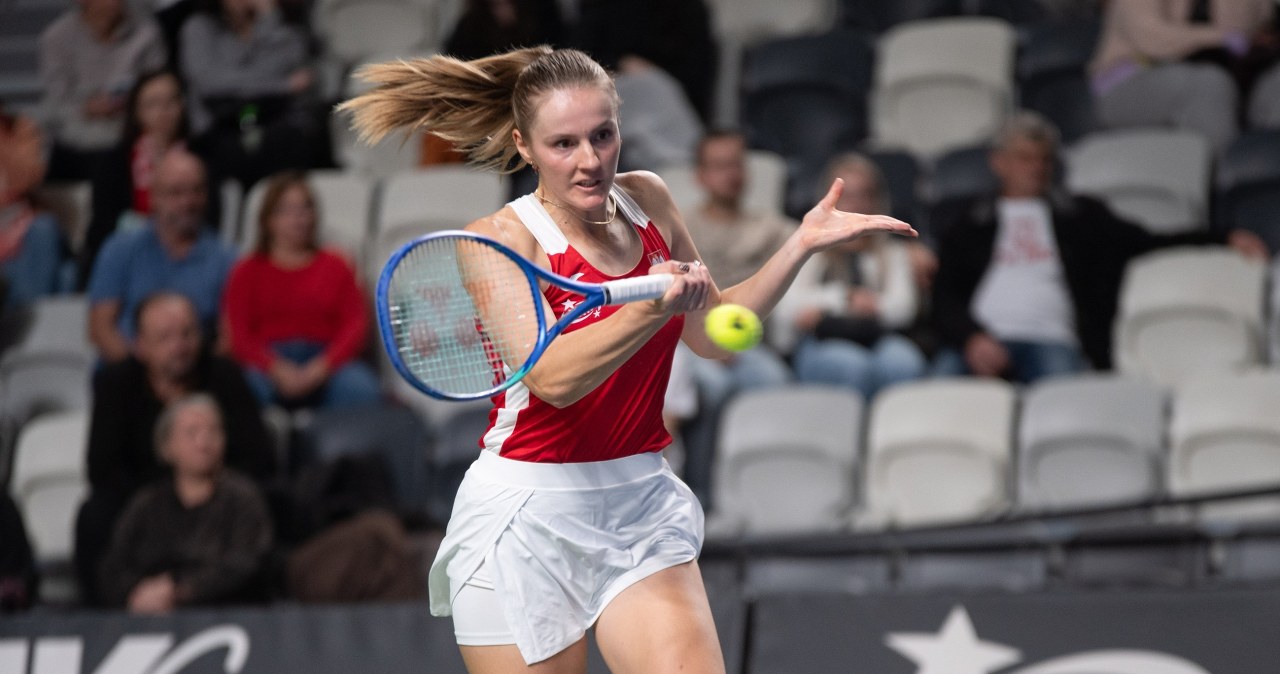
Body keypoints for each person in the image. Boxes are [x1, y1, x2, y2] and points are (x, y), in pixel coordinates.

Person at [338, 45, 913, 672]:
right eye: (563, 145)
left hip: (638, 505)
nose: (589, 162)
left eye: (602, 136)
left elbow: (716, 333)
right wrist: (648, 308)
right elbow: (554, 378)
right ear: (524, 147)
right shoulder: (501, 240)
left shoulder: (650, 200)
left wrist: (799, 244)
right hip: (526, 517)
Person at [931, 110, 1268, 383]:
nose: (1035, 168)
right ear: (998, 162)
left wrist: (1222, 237)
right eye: (1024, 158)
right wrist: (972, 338)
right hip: (980, 339)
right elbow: (945, 293)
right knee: (933, 398)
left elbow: (1145, 242)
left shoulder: (1081, 217)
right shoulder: (969, 224)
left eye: (1043, 160)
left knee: (1067, 409)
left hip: (1053, 339)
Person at [74, 292, 274, 605]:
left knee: (265, 501)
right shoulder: (115, 385)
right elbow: (102, 468)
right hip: (145, 503)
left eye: (187, 334)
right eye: (165, 338)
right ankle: (104, 616)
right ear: (140, 345)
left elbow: (258, 456)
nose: (179, 347)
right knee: (94, 515)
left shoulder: (224, 375)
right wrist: (170, 490)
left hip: (220, 497)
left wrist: (205, 482)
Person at [675, 129, 792, 505]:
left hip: (751, 348)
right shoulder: (680, 228)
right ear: (700, 175)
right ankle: (700, 497)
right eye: (720, 166)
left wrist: (912, 254)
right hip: (689, 346)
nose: (732, 174)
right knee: (709, 388)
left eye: (737, 164)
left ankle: (763, 495)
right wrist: (707, 342)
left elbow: (815, 247)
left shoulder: (770, 227)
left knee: (776, 381)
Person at [775, 153, 930, 400]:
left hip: (876, 337)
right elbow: (786, 308)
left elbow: (903, 308)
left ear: (876, 200)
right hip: (821, 341)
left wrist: (871, 306)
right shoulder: (809, 247)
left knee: (904, 361)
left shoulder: (892, 252)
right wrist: (844, 298)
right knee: (853, 366)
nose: (855, 204)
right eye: (846, 196)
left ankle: (895, 435)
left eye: (864, 195)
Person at [98, 393, 273, 612]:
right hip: (148, 621)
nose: (204, 442)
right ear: (167, 447)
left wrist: (180, 590)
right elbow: (114, 564)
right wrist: (134, 592)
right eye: (192, 433)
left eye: (213, 431)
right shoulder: (146, 504)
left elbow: (248, 563)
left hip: (224, 615)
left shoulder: (242, 498)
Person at [222, 172, 381, 409]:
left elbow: (356, 326)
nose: (298, 218)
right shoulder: (246, 270)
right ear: (268, 220)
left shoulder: (337, 265)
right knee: (241, 390)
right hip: (267, 364)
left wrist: (321, 368)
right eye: (286, 210)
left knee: (363, 389)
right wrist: (275, 368)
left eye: (305, 208)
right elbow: (239, 336)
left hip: (327, 362)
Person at [86, 148, 236, 363]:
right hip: (127, 373)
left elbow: (228, 337)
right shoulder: (120, 249)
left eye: (196, 191)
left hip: (195, 376)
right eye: (176, 192)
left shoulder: (226, 259)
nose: (188, 202)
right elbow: (100, 328)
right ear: (154, 197)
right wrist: (146, 379)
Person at [1089, 0, 1274, 154]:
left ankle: (1265, 183)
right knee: (1208, 84)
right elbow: (1151, 38)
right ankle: (1228, 181)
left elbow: (1249, 28)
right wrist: (1219, 37)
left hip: (1225, 77)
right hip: (1131, 81)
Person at [81, 69, 211, 286]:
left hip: (187, 255)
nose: (164, 112)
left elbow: (209, 217)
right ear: (136, 112)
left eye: (172, 102)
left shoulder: (202, 159)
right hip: (129, 260)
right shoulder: (115, 162)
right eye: (153, 104)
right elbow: (101, 226)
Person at [180, 0, 325, 188]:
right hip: (219, 129)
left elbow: (291, 68)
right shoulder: (199, 27)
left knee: (293, 141)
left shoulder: (284, 28)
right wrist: (282, 85)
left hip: (268, 124)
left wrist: (269, 19)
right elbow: (213, 84)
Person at [38, 0, 167, 181]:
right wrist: (86, 108)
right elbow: (58, 101)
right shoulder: (56, 38)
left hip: (129, 129)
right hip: (77, 137)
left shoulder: (146, 34)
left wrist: (130, 103)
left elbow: (158, 87)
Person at [0, 111, 64, 314]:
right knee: (65, 276)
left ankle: (24, 332)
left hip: (20, 228)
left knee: (44, 228)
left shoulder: (20, 129)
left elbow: (26, 179)